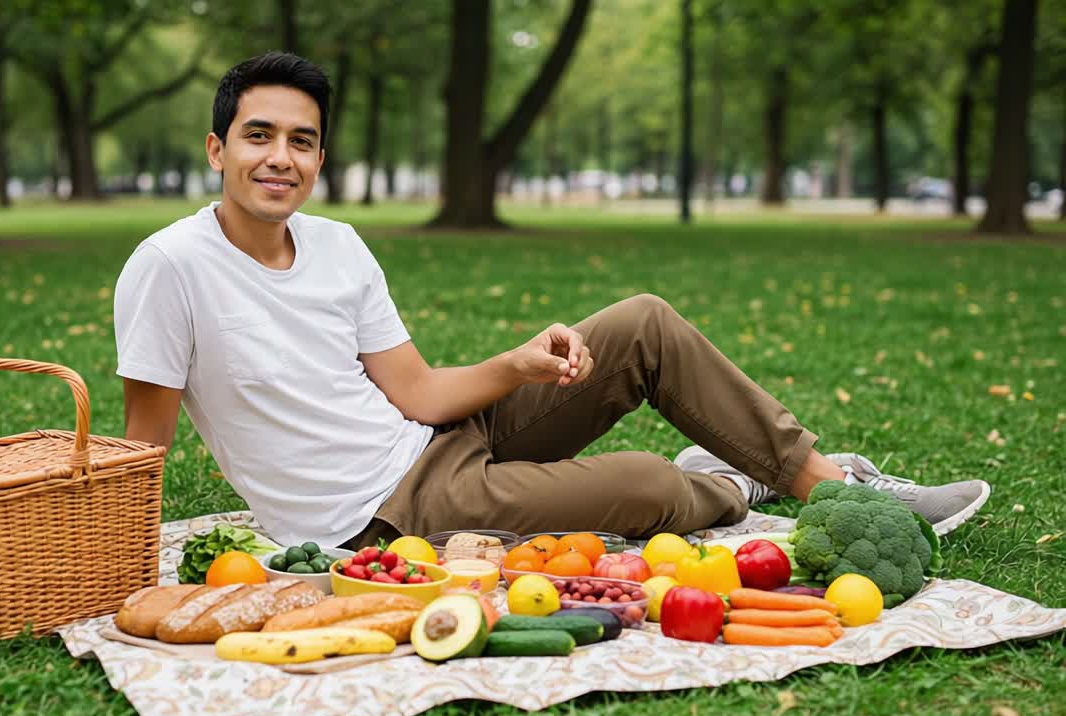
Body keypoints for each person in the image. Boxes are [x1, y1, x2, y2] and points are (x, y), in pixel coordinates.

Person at [114, 52, 990, 550]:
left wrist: (518, 362)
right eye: (258, 136)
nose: (280, 158)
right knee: (651, 484)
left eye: (301, 141)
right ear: (216, 149)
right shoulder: (170, 267)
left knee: (641, 321)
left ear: (320, 158)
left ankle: (832, 487)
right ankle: (726, 484)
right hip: (387, 515)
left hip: (435, 439)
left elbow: (417, 393)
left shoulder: (337, 244)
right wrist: (118, 562)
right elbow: (139, 455)